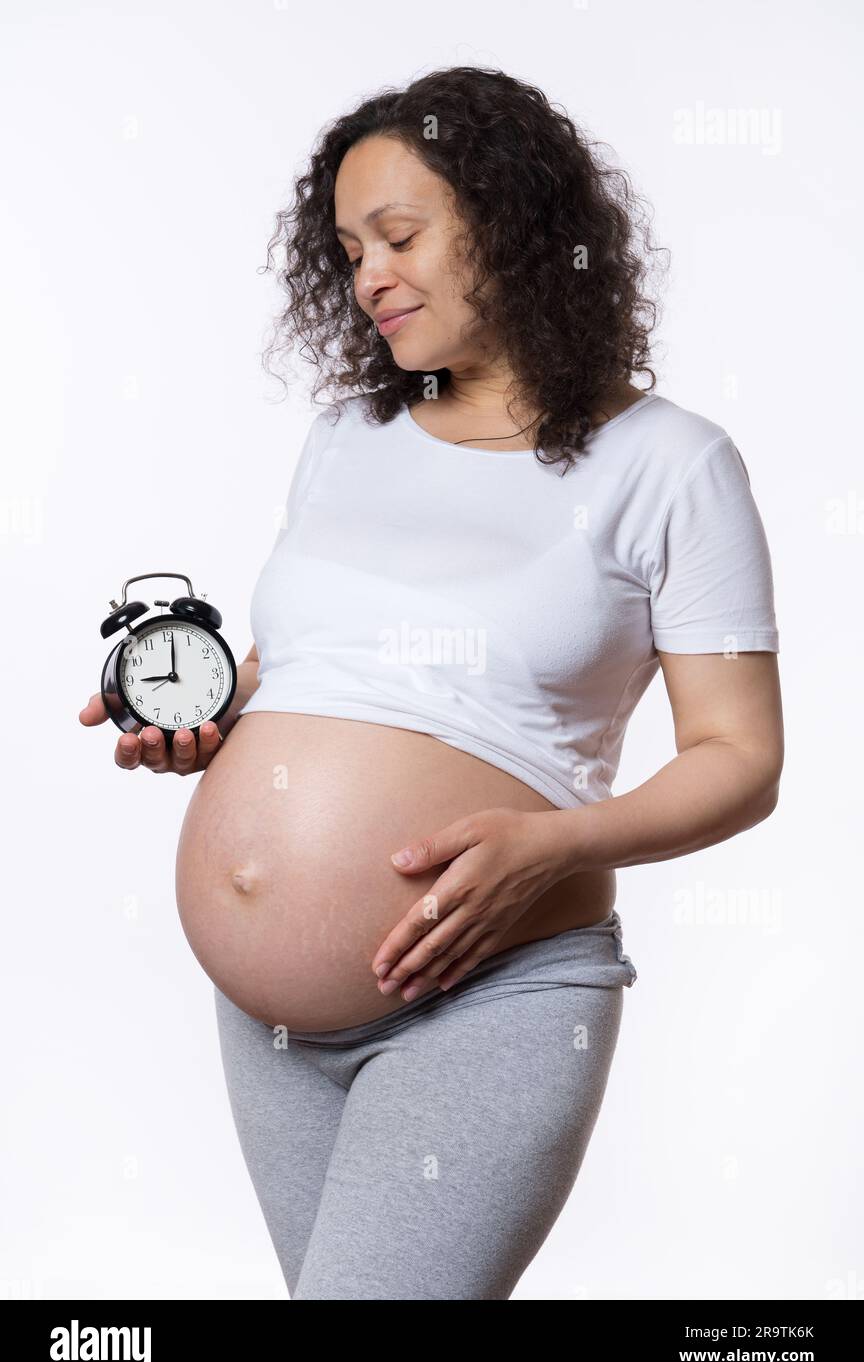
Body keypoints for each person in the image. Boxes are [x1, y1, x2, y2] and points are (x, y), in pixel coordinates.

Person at [80, 67, 783, 1300]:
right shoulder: (350, 436)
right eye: (349, 251)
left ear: (511, 228)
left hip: (487, 993)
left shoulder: (668, 465)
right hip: (270, 1030)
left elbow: (741, 758)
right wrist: (208, 717)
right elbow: (316, 668)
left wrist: (551, 844)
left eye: (400, 237)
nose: (369, 278)